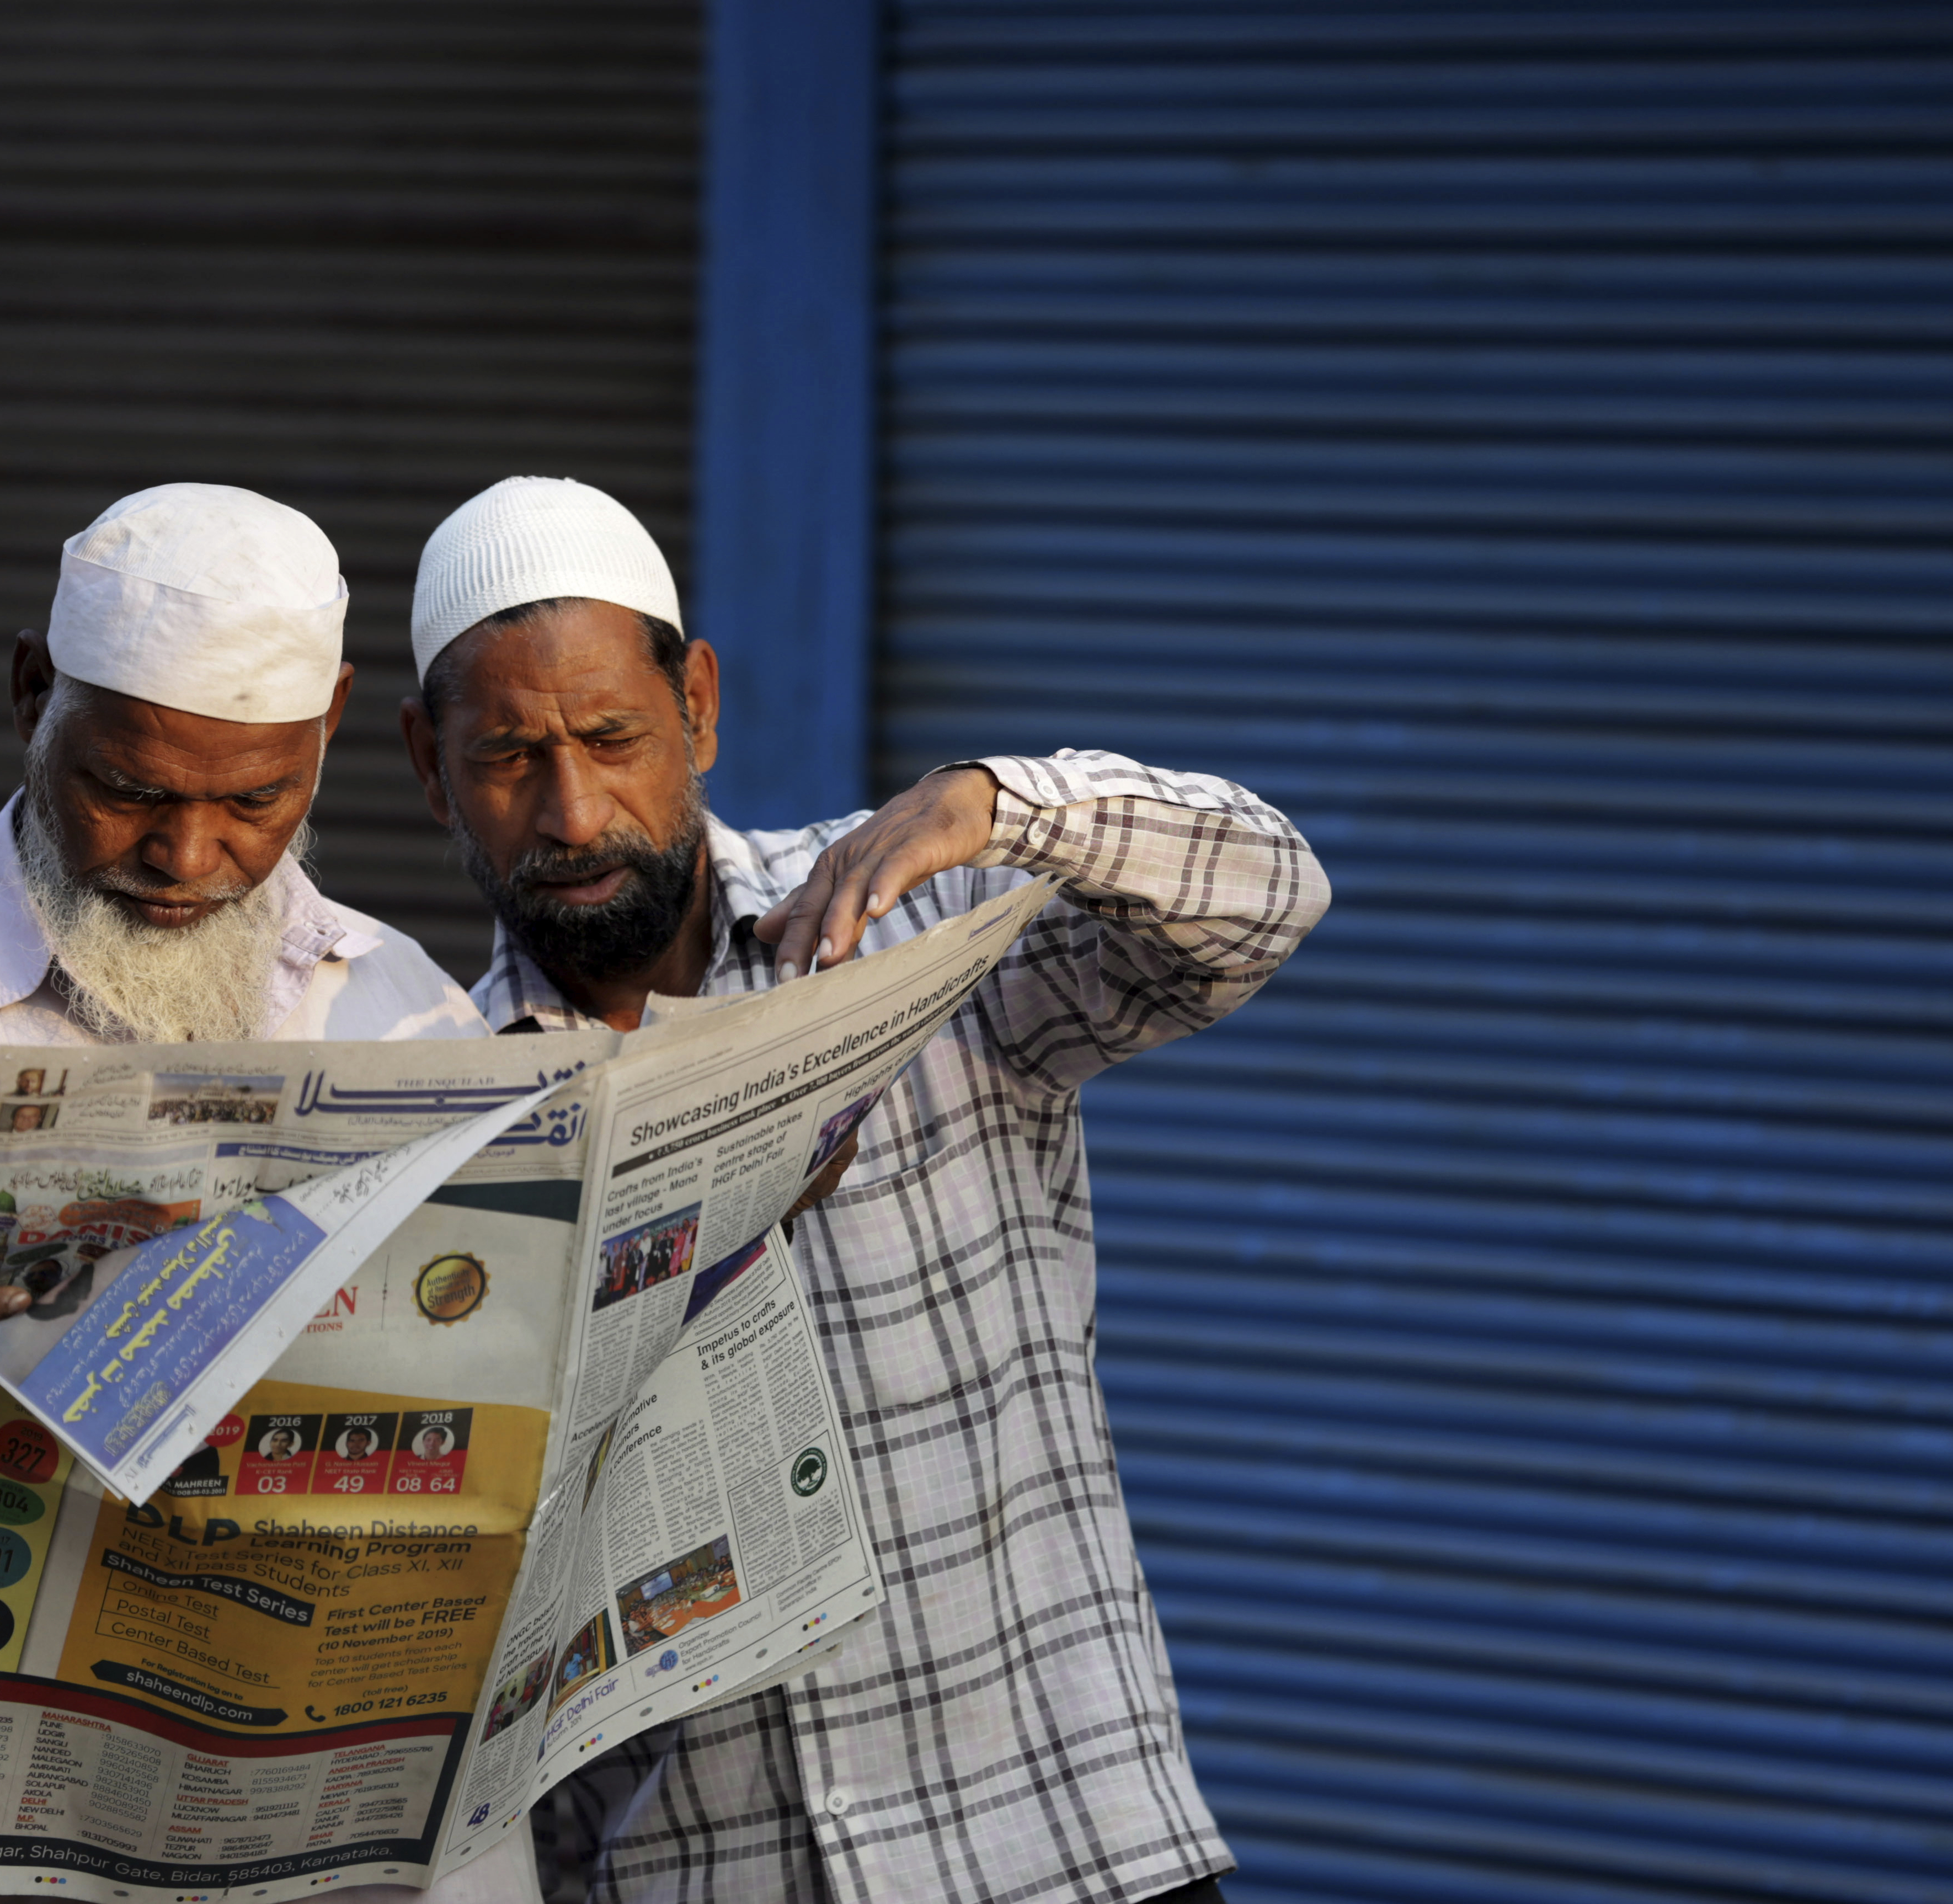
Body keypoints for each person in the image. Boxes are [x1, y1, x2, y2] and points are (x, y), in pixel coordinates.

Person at [399, 477, 1331, 1904]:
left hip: (1066, 1849)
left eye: (611, 737)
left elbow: (1267, 897)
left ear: (697, 707)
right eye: (510, 757)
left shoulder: (918, 934)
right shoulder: (440, 1125)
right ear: (428, 765)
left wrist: (997, 802)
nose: (574, 808)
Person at [0, 484, 508, 1904]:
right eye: (126, 789)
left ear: (328, 727)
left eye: (255, 801)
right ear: (31, 698)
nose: (187, 859)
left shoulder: (405, 1013)